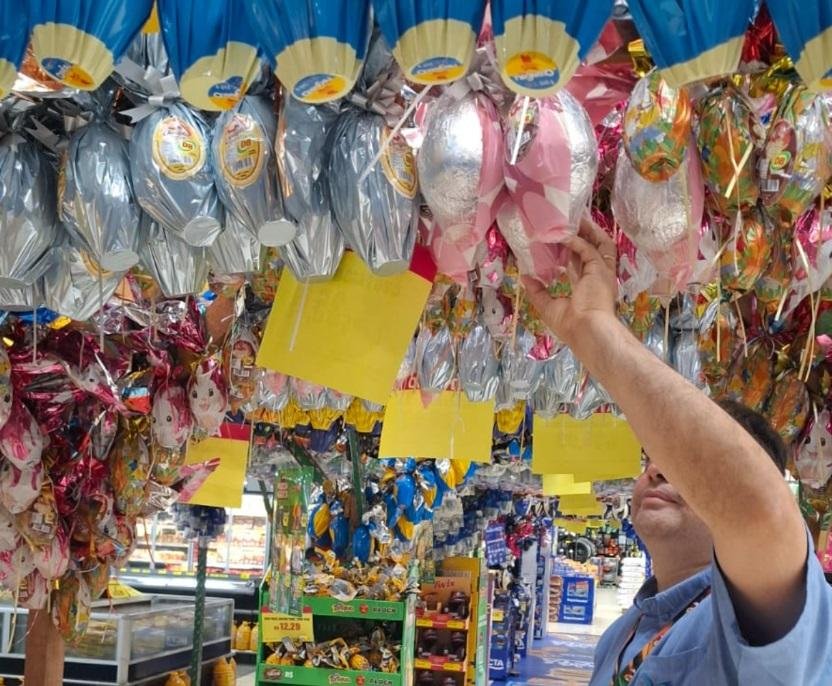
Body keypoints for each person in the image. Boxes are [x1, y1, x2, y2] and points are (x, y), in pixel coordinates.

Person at [524, 217, 832, 685]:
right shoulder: (622, 634)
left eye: (684, 468)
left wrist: (596, 333)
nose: (656, 472)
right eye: (651, 461)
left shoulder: (765, 623)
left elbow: (757, 509)